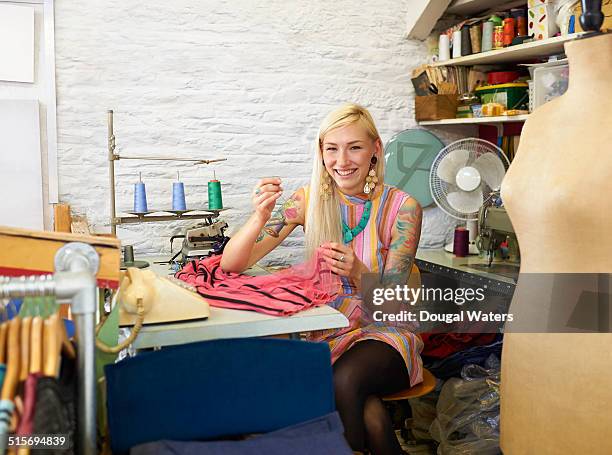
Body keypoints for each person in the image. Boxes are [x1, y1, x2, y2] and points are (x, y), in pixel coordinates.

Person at [221, 104, 423, 455]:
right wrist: (260, 216)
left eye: (354, 147)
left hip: (386, 332)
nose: (342, 160)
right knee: (367, 410)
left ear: (375, 149)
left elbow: (394, 304)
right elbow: (232, 264)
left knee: (344, 380)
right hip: (326, 327)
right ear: (321, 152)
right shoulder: (306, 200)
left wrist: (358, 272)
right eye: (332, 148)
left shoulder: (402, 208)